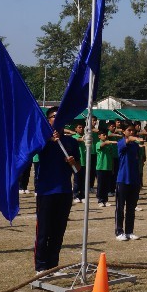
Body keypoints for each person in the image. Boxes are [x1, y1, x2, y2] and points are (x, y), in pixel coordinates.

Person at [34, 108, 82, 274]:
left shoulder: (71, 142)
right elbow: (29, 151)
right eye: (54, 117)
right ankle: (41, 266)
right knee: (43, 230)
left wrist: (72, 162)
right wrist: (48, 140)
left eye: (60, 117)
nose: (57, 119)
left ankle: (53, 265)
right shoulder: (41, 140)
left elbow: (77, 169)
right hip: (46, 191)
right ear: (48, 120)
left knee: (58, 230)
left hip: (64, 191)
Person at [114, 125, 143, 241]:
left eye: (133, 130)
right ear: (123, 131)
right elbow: (127, 141)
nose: (131, 132)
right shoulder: (121, 143)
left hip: (134, 180)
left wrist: (139, 180)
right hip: (122, 179)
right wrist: (133, 138)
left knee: (131, 207)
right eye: (129, 130)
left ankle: (129, 231)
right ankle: (119, 231)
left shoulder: (135, 146)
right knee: (120, 207)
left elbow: (137, 164)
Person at [94, 130, 117, 207]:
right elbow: (101, 146)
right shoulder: (98, 143)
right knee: (101, 184)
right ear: (99, 136)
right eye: (103, 135)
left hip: (108, 167)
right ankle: (100, 200)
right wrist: (107, 142)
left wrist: (112, 168)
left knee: (107, 185)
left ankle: (105, 200)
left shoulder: (109, 145)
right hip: (101, 167)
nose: (105, 136)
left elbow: (111, 156)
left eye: (106, 135)